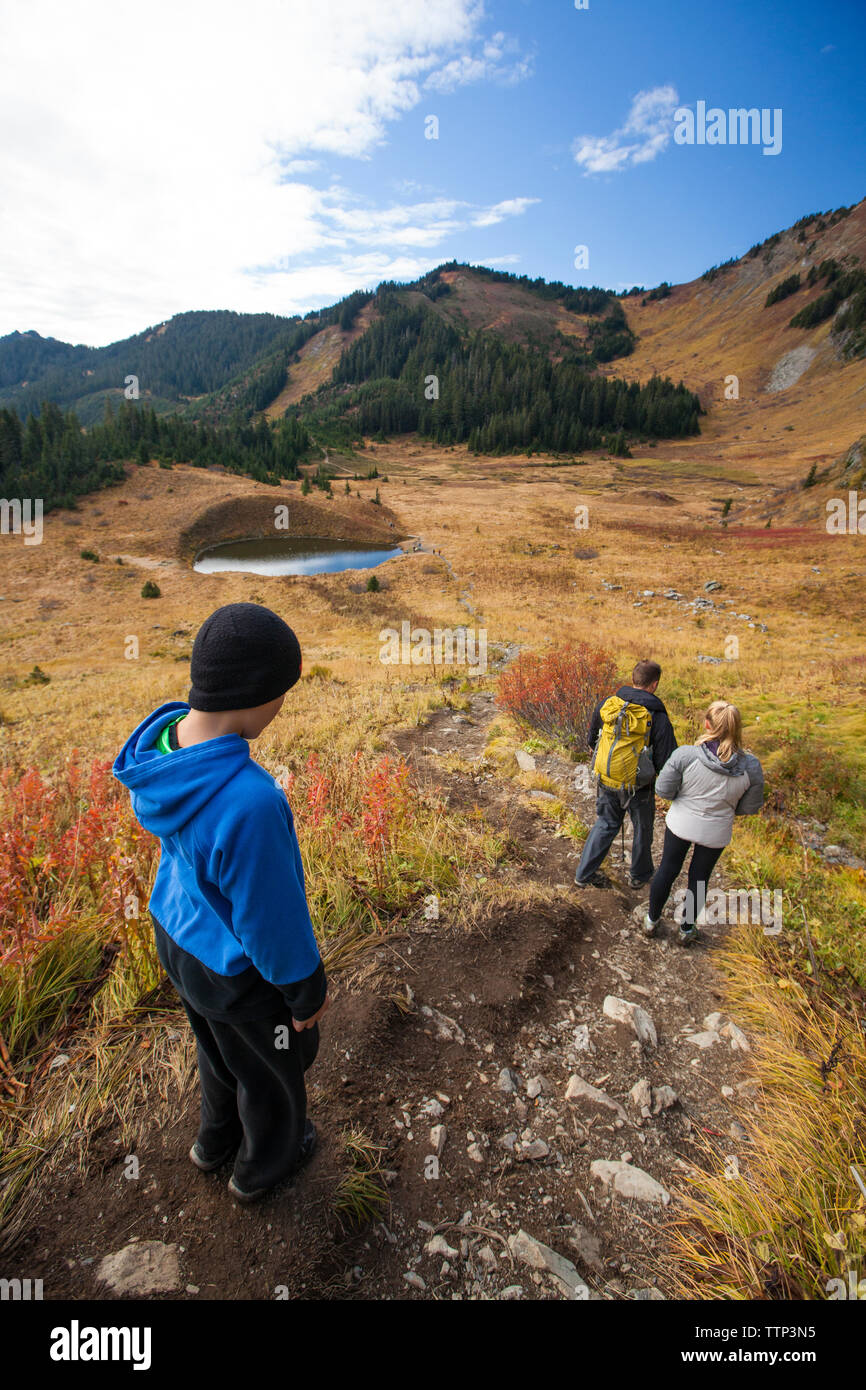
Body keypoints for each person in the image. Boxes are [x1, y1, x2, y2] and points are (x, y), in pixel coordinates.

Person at [113, 603, 329, 1204]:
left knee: (216, 1050)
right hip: (237, 973)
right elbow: (270, 922)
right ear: (256, 693)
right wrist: (305, 989)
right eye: (282, 692)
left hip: (177, 937)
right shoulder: (251, 803)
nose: (283, 705)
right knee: (270, 1073)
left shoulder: (167, 751)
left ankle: (213, 1143)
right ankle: (261, 1170)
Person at [642, 699, 764, 944]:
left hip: (681, 823)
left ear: (707, 725)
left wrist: (684, 800)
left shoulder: (685, 755)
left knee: (667, 869)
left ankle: (651, 921)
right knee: (700, 878)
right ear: (738, 728)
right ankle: (687, 930)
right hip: (716, 831)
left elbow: (663, 789)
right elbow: (749, 807)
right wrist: (724, 809)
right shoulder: (751, 767)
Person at [574, 659, 677, 890]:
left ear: (633, 680)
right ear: (654, 684)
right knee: (642, 829)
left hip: (606, 779)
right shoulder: (657, 716)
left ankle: (583, 874)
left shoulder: (608, 704)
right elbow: (667, 759)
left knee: (606, 823)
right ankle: (639, 876)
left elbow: (592, 739)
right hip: (639, 786)